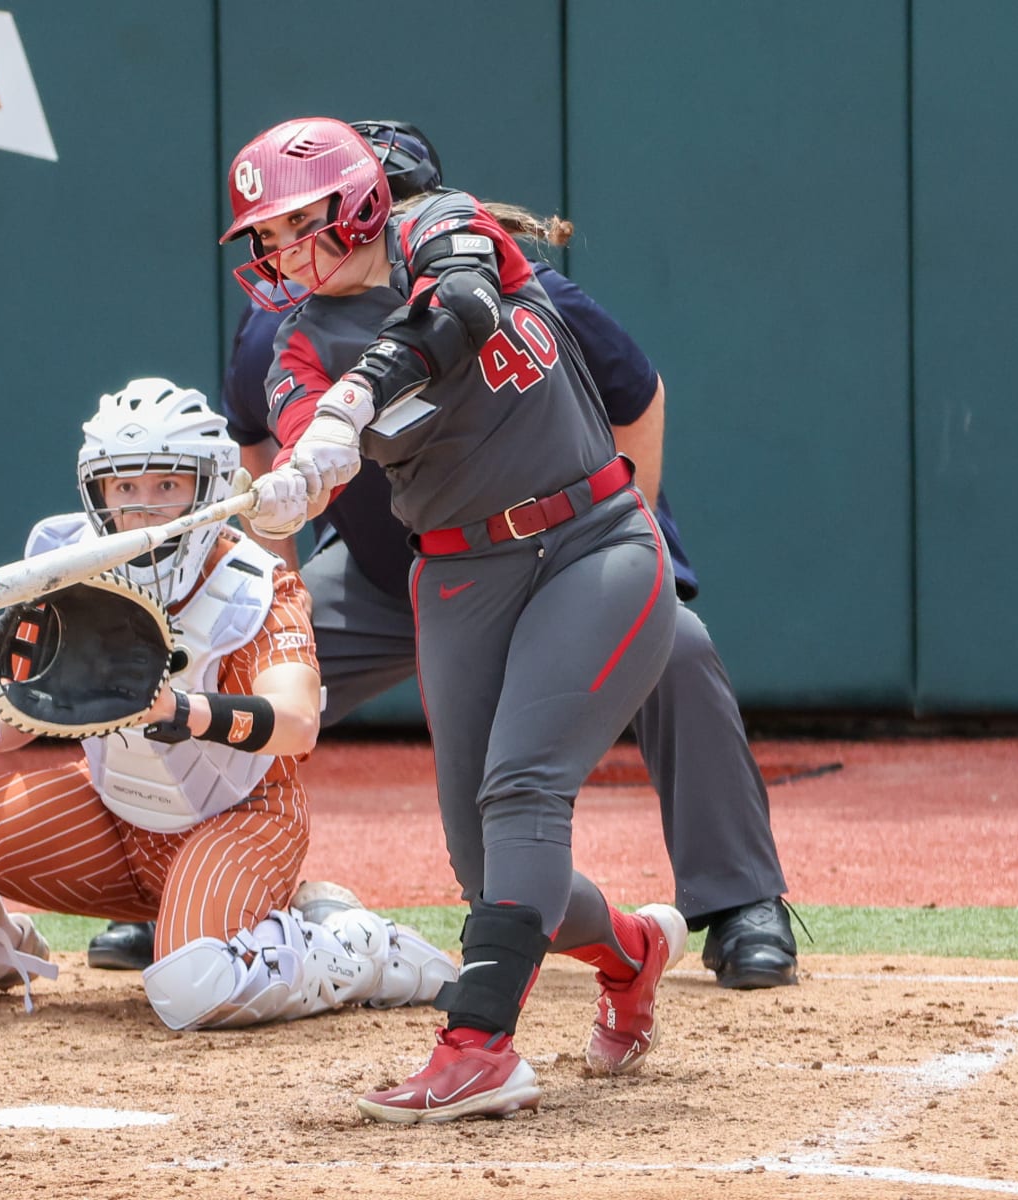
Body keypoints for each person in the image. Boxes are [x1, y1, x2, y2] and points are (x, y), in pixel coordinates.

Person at [93, 120, 796, 990]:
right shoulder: (283, 332)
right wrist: (275, 581)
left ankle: (738, 900)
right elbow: (262, 451)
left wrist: (632, 533)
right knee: (231, 676)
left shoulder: (501, 276)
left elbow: (638, 395)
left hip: (561, 548)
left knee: (678, 649)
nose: (300, 249)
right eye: (278, 231)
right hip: (397, 572)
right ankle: (160, 877)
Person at [220, 116, 686, 1123]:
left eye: (291, 223)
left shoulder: (443, 223)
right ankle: (634, 953)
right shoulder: (296, 350)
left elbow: (463, 308)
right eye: (260, 235)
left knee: (523, 790)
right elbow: (308, 440)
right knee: (491, 868)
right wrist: (296, 482)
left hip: (590, 539)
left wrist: (356, 402)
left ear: (352, 203)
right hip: (461, 577)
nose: (273, 252)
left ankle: (478, 1045)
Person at [0, 377, 456, 1031]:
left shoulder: (256, 584)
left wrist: (182, 711)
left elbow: (298, 726)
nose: (143, 508)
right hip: (112, 809)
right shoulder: (65, 560)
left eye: (167, 486)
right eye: (124, 488)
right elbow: (48, 695)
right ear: (97, 491)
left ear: (211, 484)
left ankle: (347, 945)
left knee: (191, 991)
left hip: (241, 818)